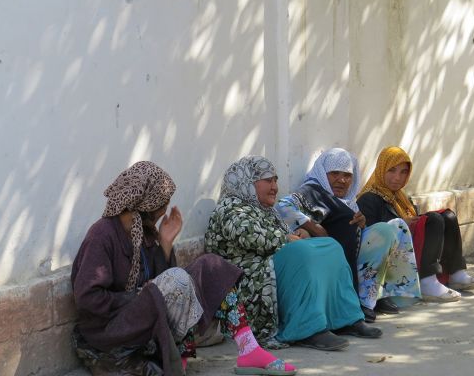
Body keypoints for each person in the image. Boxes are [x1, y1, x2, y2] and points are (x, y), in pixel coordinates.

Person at [71, 161, 296, 376]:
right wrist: (138, 296)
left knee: (210, 265)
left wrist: (165, 244)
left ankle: (248, 349)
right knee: (178, 279)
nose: (164, 211)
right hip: (114, 328)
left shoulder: (146, 233)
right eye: (162, 203)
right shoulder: (102, 235)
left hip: (148, 316)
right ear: (147, 203)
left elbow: (161, 284)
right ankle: (179, 355)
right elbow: (88, 299)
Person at [205, 156, 381, 351]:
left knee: (330, 246)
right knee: (300, 253)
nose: (274, 187)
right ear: (247, 182)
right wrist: (287, 239)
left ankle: (345, 318)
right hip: (249, 280)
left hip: (270, 266)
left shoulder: (264, 209)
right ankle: (306, 328)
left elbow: (279, 235)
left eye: (275, 180)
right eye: (268, 181)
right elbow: (253, 237)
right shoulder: (229, 209)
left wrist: (299, 233)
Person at [275, 148, 421, 323]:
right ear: (323, 173)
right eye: (334, 173)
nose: (342, 180)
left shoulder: (350, 201)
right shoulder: (313, 190)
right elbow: (283, 206)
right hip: (325, 257)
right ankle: (350, 303)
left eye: (347, 175)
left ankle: (370, 298)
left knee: (390, 229)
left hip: (350, 258)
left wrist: (362, 224)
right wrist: (315, 228)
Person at [356, 146, 474, 302]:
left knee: (447, 216)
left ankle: (456, 273)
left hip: (409, 251)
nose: (397, 178)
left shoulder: (401, 198)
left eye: (403, 172)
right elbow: (371, 239)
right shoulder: (368, 199)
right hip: (390, 261)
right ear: (381, 169)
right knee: (434, 219)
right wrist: (402, 224)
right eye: (392, 170)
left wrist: (411, 223)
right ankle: (426, 281)